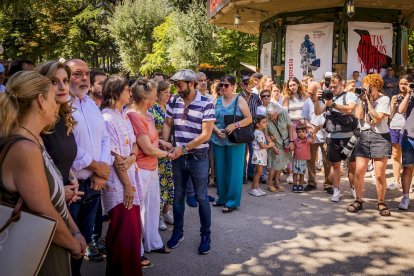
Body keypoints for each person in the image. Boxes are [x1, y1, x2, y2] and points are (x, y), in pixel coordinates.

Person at [0, 71, 86, 275]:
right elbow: (44, 212)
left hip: (49, 243)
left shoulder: (35, 140)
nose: (57, 105)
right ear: (40, 101)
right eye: (52, 99)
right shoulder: (24, 148)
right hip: (37, 253)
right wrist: (73, 244)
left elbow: (54, 204)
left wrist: (75, 231)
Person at [162, 69, 215, 254]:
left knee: (201, 197)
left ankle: (205, 235)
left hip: (198, 156)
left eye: (179, 85)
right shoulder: (174, 101)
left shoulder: (207, 103)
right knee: (178, 196)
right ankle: (177, 232)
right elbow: (168, 123)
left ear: (192, 84)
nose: (176, 88)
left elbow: (206, 134)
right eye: (175, 85)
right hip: (178, 156)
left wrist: (182, 148)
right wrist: (166, 143)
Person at [66, 59, 111, 274]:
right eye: (77, 74)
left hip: (93, 185)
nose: (83, 78)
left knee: (83, 240)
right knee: (69, 244)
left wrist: (102, 172)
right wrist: (96, 167)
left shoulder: (91, 105)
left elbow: (104, 138)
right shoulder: (62, 105)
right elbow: (65, 146)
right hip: (72, 187)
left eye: (86, 74)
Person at [127, 78, 172, 264]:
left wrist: (162, 142)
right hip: (140, 169)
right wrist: (169, 155)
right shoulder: (134, 115)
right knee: (138, 212)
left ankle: (153, 241)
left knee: (153, 207)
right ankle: (137, 250)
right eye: (154, 96)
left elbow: (152, 138)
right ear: (145, 99)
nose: (156, 99)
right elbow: (146, 147)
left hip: (152, 167)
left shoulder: (147, 114)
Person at [101, 75, 143, 275]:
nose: (130, 93)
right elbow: (115, 155)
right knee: (124, 232)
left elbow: (134, 143)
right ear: (117, 92)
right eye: (127, 89)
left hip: (130, 176)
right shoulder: (107, 117)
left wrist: (133, 157)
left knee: (133, 231)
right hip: (118, 183)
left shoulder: (124, 115)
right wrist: (127, 185)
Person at [36, 61, 84, 205]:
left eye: (65, 81)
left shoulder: (63, 118)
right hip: (45, 205)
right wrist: (59, 191)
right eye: (54, 82)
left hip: (67, 199)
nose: (63, 87)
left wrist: (70, 175)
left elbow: (58, 160)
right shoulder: (37, 124)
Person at [349, 74, 391, 216]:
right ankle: (358, 200)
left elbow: (377, 118)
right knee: (359, 171)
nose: (367, 89)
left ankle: (381, 202)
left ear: (377, 86)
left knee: (379, 174)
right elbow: (359, 116)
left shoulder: (384, 99)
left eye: (369, 86)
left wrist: (368, 99)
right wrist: (362, 100)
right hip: (364, 135)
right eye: (365, 85)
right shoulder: (362, 99)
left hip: (380, 137)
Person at [211, 75, 252, 213]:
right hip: (218, 139)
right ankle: (222, 197)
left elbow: (249, 119)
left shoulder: (239, 99)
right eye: (221, 85)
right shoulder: (216, 100)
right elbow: (210, 120)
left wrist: (235, 125)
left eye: (226, 85)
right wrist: (216, 131)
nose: (223, 87)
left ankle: (232, 201)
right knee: (221, 171)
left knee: (235, 171)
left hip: (235, 140)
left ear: (233, 86)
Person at [314, 73, 358, 199]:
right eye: (331, 87)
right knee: (335, 165)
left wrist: (332, 104)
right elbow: (317, 112)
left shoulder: (350, 95)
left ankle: (354, 188)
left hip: (349, 137)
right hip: (332, 137)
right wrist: (317, 99)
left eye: (335, 87)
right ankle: (336, 190)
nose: (332, 89)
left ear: (342, 84)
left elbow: (350, 109)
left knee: (352, 165)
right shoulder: (327, 96)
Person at [148, 80, 175, 231]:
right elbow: (148, 132)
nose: (168, 95)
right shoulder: (152, 109)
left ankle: (166, 212)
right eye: (165, 92)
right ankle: (156, 216)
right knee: (158, 185)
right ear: (157, 93)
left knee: (168, 183)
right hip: (157, 151)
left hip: (169, 151)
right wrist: (164, 131)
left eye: (169, 92)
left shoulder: (169, 107)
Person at [387, 75, 413, 191]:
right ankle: (396, 180)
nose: (403, 86)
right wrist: (392, 106)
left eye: (405, 83)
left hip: (408, 129)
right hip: (395, 127)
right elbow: (390, 116)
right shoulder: (395, 97)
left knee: (409, 157)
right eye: (401, 83)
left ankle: (410, 182)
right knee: (396, 155)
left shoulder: (412, 96)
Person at [265, 102, 293, 192]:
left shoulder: (284, 113)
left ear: (277, 113)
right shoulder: (266, 116)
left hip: (285, 143)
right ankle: (269, 183)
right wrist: (273, 147)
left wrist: (291, 141)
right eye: (269, 114)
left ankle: (277, 182)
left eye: (272, 115)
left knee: (281, 163)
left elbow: (290, 127)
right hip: (273, 143)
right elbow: (266, 135)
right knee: (274, 164)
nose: (270, 116)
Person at [240, 77, 262, 183]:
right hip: (242, 127)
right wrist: (247, 96)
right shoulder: (239, 96)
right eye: (246, 83)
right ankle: (242, 175)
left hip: (253, 127)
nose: (249, 85)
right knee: (243, 152)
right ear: (242, 85)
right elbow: (241, 110)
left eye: (250, 83)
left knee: (253, 151)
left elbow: (259, 110)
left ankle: (250, 174)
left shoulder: (256, 97)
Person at [397, 75, 414, 210]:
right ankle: (406, 196)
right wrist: (409, 93)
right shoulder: (404, 96)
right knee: (407, 167)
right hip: (409, 136)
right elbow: (401, 110)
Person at [249, 115, 274, 197]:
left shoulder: (260, 132)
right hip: (258, 154)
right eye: (263, 122)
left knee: (259, 172)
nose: (265, 124)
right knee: (258, 172)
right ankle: (253, 188)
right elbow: (262, 146)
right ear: (257, 124)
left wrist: (271, 140)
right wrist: (270, 145)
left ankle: (256, 187)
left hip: (261, 154)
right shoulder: (257, 132)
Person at [292, 124, 315, 192]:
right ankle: (295, 185)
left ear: (306, 132)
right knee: (295, 173)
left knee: (302, 174)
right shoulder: (295, 140)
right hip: (296, 159)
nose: (301, 133)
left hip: (303, 160)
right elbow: (292, 148)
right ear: (296, 133)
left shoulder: (307, 140)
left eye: (303, 131)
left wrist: (313, 135)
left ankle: (301, 185)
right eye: (299, 132)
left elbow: (313, 142)